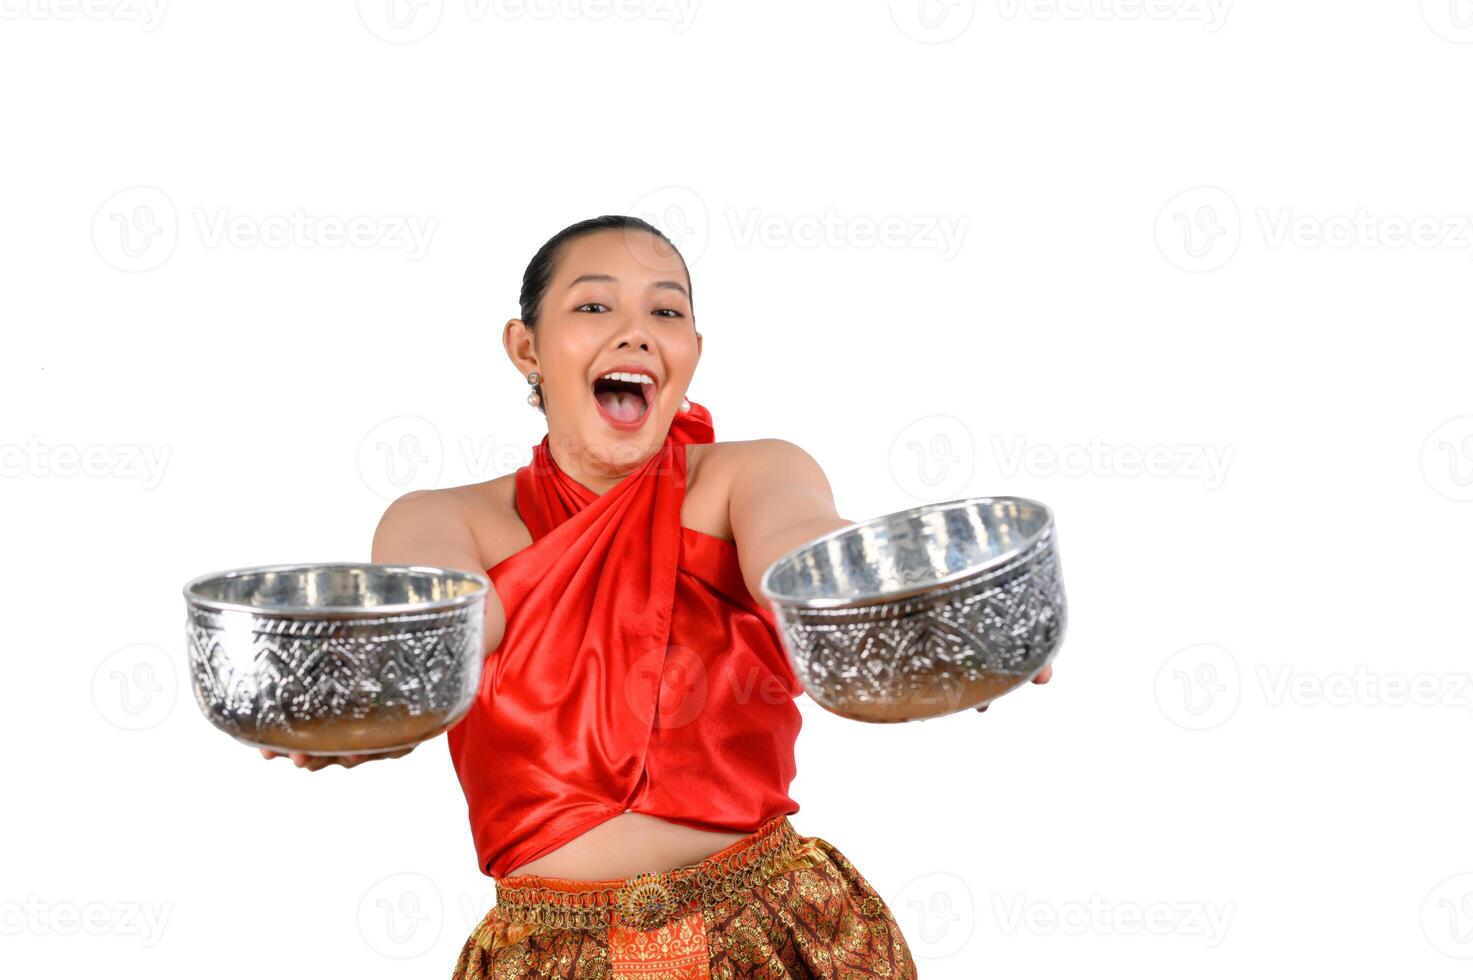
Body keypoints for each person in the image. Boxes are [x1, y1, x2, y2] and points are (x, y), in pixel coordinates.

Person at [262, 215, 1052, 976]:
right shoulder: (442, 519)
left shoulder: (748, 475)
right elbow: (448, 627)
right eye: (594, 305)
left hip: (776, 935)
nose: (635, 330)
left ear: (692, 350)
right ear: (525, 347)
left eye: (665, 310)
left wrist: (922, 614)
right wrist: (378, 698)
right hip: (548, 961)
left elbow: (806, 559)